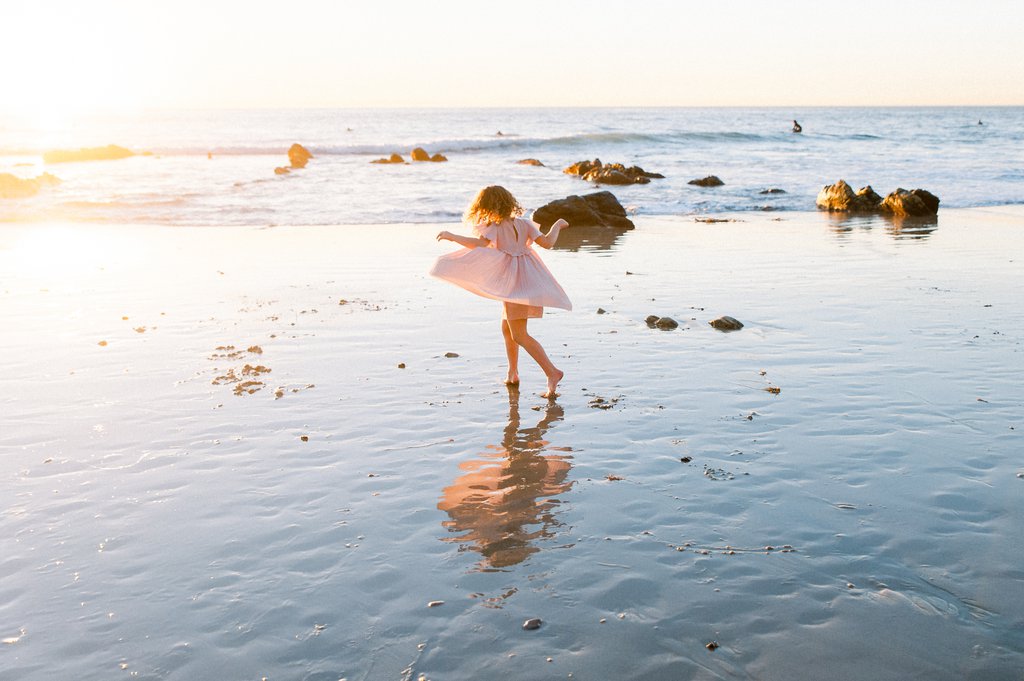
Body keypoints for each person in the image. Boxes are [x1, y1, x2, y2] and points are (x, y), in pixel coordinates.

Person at [430, 186, 571, 398]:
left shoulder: (494, 227)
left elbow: (477, 244)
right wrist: (557, 225)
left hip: (515, 288)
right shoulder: (524, 224)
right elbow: (548, 243)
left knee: (520, 335)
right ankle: (513, 373)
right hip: (528, 282)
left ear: (486, 207)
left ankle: (552, 372)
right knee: (507, 329)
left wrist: (452, 237)